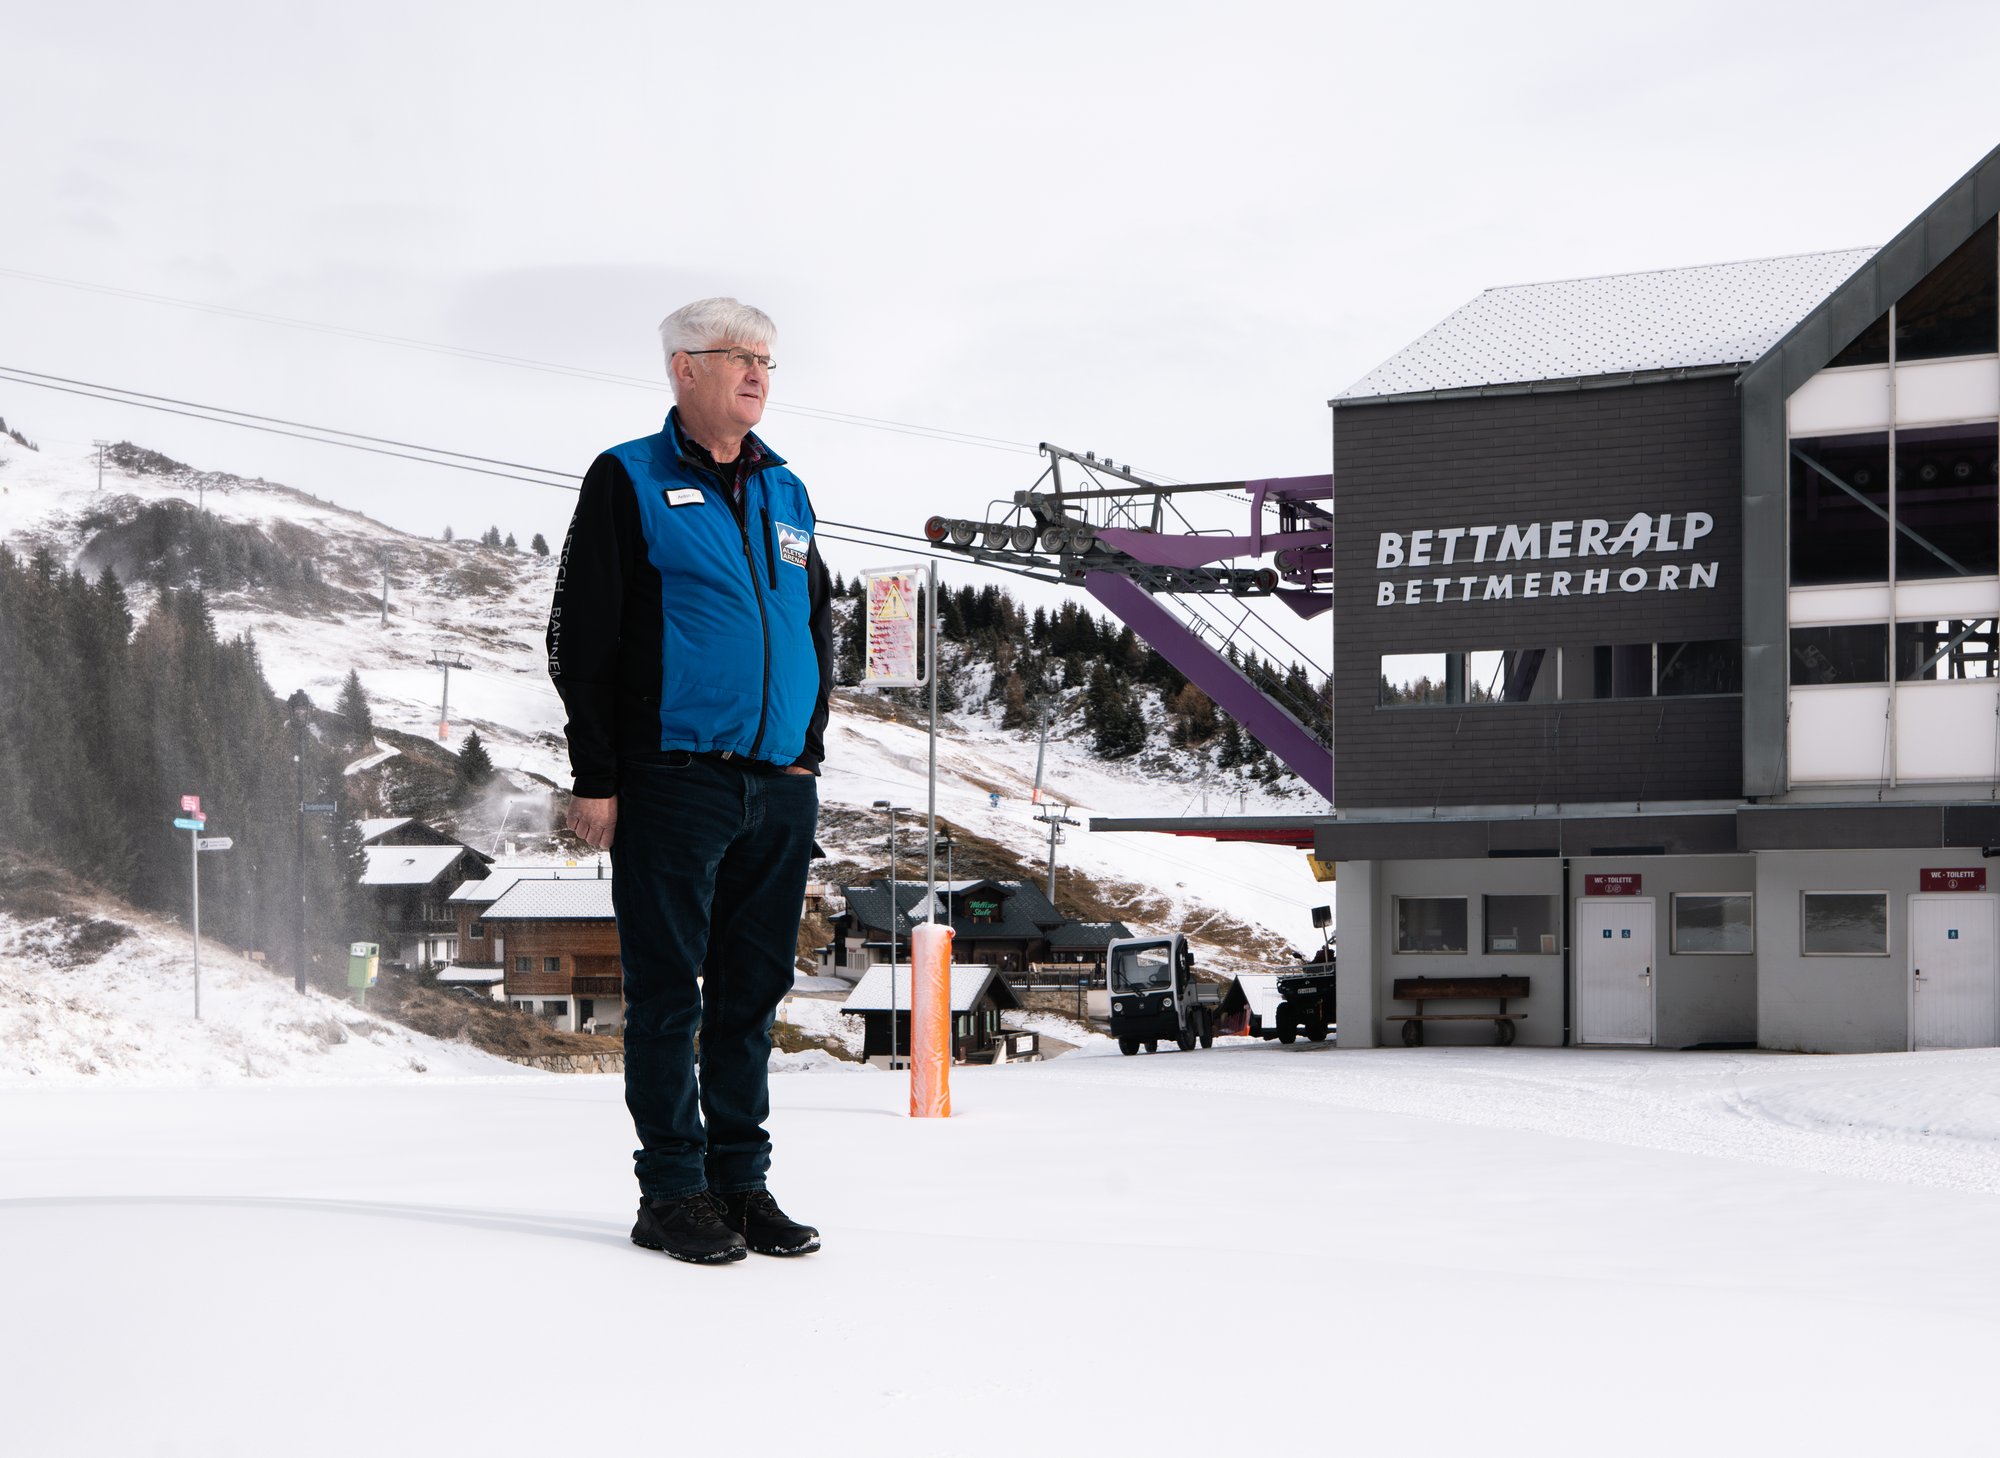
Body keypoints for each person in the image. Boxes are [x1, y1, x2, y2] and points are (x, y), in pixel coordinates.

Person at [546, 297, 832, 1263]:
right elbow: (580, 636)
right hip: (672, 776)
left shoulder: (786, 489)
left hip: (777, 786)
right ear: (684, 369)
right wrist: (596, 775)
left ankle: (741, 1185)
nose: (757, 373)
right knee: (671, 994)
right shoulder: (627, 476)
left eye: (767, 360)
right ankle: (672, 1192)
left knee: (751, 994)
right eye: (738, 356)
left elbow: (812, 626)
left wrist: (807, 749)